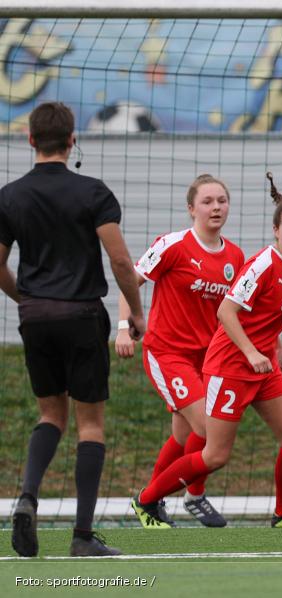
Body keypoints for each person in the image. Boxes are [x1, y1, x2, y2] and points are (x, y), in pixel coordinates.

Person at [130, 173, 282, 529]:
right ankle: (147, 500)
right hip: (228, 364)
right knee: (213, 452)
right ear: (275, 230)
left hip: (260, 367)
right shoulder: (262, 263)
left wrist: (275, 346)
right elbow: (227, 312)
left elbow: (264, 313)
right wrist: (251, 352)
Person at [0, 101, 145, 556]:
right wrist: (135, 313)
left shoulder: (10, 196)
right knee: (91, 426)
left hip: (35, 317)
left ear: (29, 140)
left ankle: (27, 496)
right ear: (71, 139)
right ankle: (82, 537)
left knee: (50, 415)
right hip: (82, 315)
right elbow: (120, 260)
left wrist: (25, 299)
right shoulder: (93, 193)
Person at [115, 174, 244, 528]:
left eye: (222, 200)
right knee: (208, 426)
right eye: (207, 201)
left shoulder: (235, 256)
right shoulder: (172, 245)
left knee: (184, 436)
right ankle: (183, 496)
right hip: (167, 353)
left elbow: (235, 310)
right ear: (191, 209)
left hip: (208, 359)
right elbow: (131, 281)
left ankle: (153, 503)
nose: (216, 207)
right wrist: (125, 327)